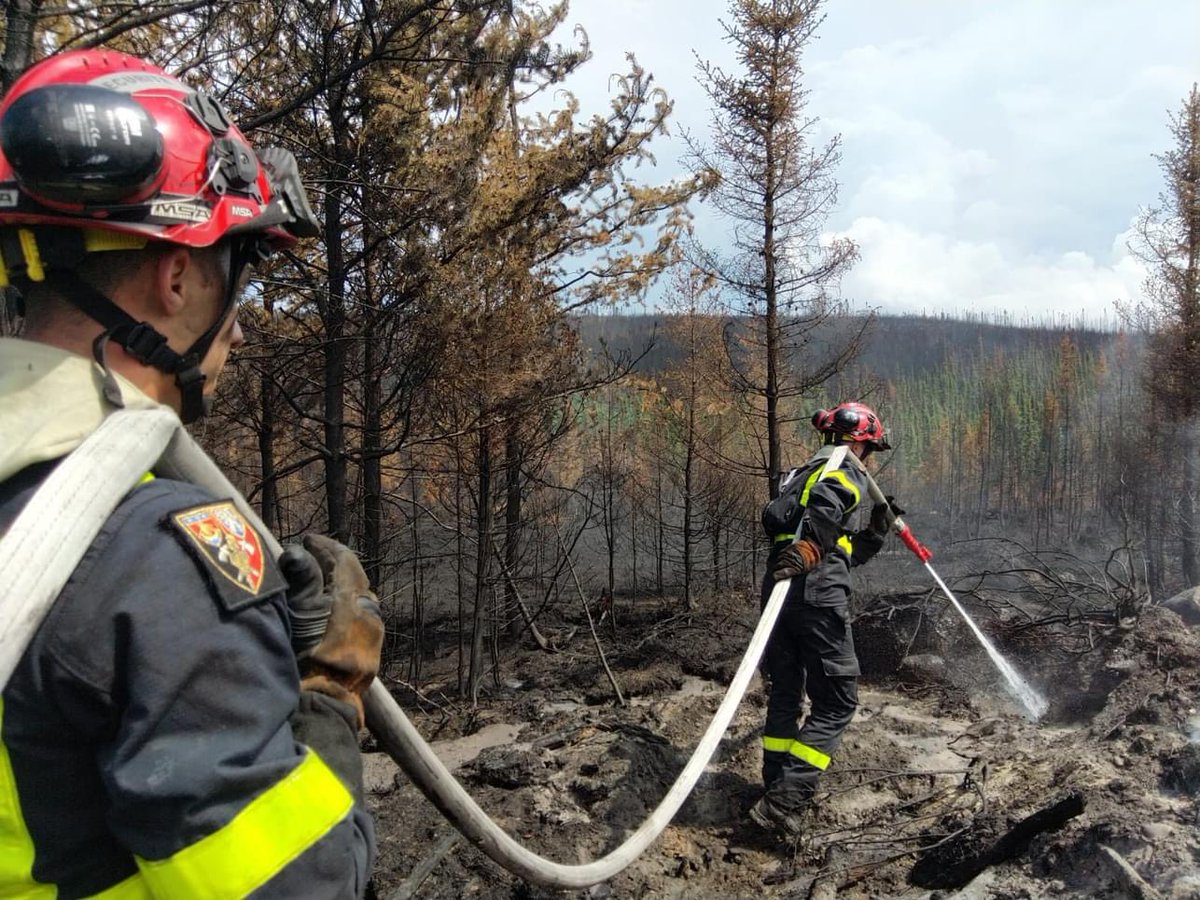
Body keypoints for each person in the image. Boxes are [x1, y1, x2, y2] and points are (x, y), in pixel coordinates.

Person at [0, 50, 383, 897]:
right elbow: (299, 885)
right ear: (176, 278)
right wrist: (323, 700)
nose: (237, 332)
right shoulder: (153, 565)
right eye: (229, 279)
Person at [749, 401, 898, 837]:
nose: (868, 459)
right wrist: (813, 547)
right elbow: (828, 507)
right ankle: (784, 801)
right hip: (817, 594)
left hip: (779, 589)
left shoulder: (797, 475)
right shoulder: (842, 469)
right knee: (837, 701)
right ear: (860, 442)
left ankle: (773, 786)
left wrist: (874, 532)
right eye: (869, 449)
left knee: (785, 695)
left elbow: (840, 550)